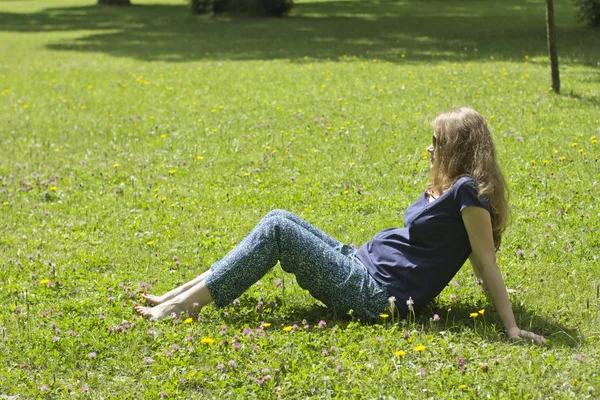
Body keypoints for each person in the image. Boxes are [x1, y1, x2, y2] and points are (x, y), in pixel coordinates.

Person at [135, 107, 546, 345]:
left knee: (279, 231)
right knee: (279, 217)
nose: (429, 149)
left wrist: (510, 327)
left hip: (376, 295)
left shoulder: (467, 193)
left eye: (436, 143)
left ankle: (179, 308)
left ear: (456, 149)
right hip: (359, 262)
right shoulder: (450, 187)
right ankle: (181, 294)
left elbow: (484, 260)